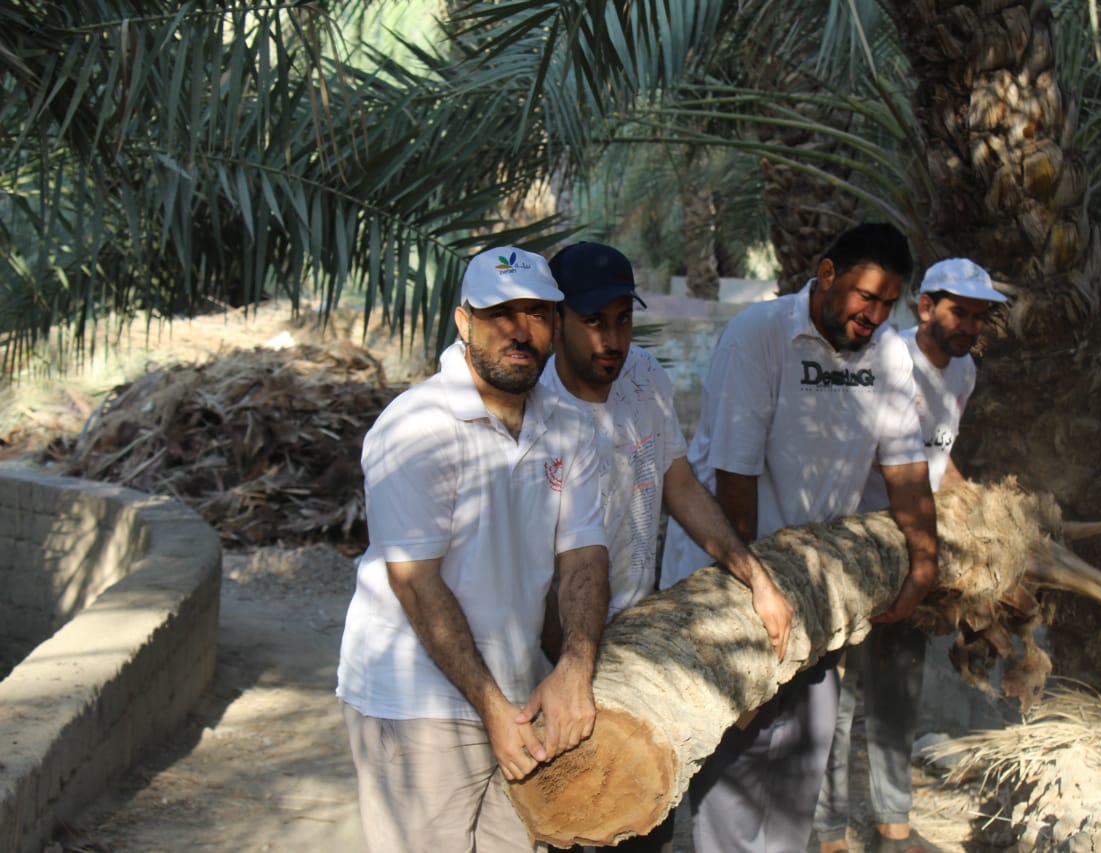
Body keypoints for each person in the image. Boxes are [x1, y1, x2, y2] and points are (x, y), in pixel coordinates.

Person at [660, 223, 940, 853]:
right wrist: (751, 595)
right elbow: (736, 479)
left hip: (816, 596)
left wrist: (924, 562)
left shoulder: (889, 355)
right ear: (827, 274)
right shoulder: (759, 335)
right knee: (736, 777)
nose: (875, 316)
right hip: (729, 580)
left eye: (888, 303)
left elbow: (906, 469)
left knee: (799, 773)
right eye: (866, 297)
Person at [336, 246, 611, 853]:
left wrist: (573, 668)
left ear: (556, 322)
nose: (520, 331)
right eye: (499, 313)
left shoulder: (571, 426)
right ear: (464, 322)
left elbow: (584, 558)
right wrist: (491, 709)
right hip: (417, 702)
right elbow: (415, 581)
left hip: (523, 693)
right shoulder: (417, 426)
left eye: (536, 313)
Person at [540, 241, 794, 853]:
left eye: (623, 319)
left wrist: (755, 576)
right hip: (549, 651)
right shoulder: (533, 404)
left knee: (646, 820)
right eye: (594, 321)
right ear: (555, 319)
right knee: (564, 822)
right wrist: (567, 665)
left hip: (634, 637)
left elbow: (680, 485)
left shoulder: (645, 377)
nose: (612, 340)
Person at [813, 258, 1007, 853]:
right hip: (854, 550)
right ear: (925, 307)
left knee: (897, 694)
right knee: (835, 700)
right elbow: (858, 451)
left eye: (979, 316)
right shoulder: (885, 357)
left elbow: (936, 463)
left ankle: (891, 830)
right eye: (959, 312)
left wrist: (985, 516)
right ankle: (828, 836)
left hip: (913, 552)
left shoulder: (964, 371)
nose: (970, 326)